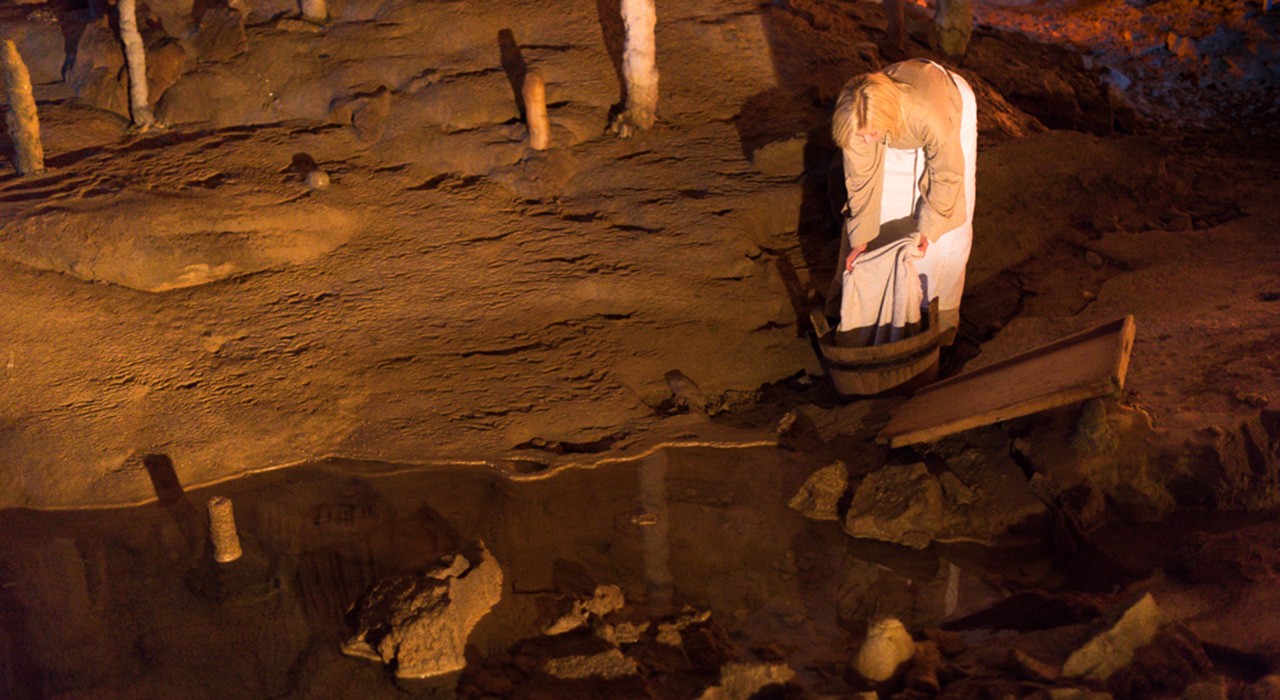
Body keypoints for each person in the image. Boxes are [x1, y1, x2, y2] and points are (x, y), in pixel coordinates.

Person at [826, 59, 977, 344]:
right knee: (885, 220)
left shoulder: (929, 116)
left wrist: (929, 230)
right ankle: (868, 313)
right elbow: (860, 179)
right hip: (889, 116)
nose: (866, 141)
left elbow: (947, 174)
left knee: (945, 236)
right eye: (862, 136)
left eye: (871, 135)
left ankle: (937, 326)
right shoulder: (856, 115)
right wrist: (860, 239)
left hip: (941, 105)